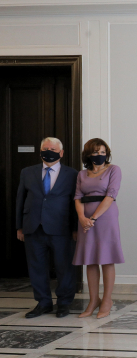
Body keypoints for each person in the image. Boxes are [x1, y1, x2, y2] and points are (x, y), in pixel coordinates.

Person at [15, 137, 78, 318]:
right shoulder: (27, 172)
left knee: (64, 266)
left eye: (53, 148)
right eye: (45, 148)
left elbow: (75, 202)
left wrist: (75, 229)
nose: (49, 151)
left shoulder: (72, 174)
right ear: (40, 151)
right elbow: (20, 200)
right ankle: (43, 303)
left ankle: (64, 303)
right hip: (33, 227)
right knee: (36, 267)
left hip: (62, 228)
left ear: (61, 153)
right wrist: (19, 227)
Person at [73, 138, 124, 319]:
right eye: (96, 152)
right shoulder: (82, 174)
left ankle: (107, 300)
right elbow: (77, 197)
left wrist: (93, 218)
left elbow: (111, 196)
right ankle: (93, 300)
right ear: (88, 154)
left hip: (106, 218)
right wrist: (82, 218)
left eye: (103, 152)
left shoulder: (113, 170)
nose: (100, 155)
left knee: (107, 258)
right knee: (90, 259)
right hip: (85, 220)